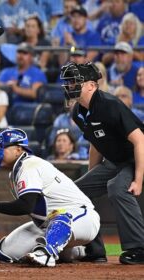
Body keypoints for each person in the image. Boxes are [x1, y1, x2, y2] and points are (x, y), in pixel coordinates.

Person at [0, 127, 100, 267]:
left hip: (82, 218)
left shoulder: (30, 165)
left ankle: (48, 254)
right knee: (4, 252)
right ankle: (80, 251)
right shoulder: (16, 171)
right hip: (48, 225)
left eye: (1, 147)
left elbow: (25, 206)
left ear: (18, 150)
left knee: (60, 217)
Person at [60, 61, 144, 264]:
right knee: (75, 193)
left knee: (116, 187)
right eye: (69, 82)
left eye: (75, 82)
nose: (70, 86)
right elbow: (95, 143)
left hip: (136, 157)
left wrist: (138, 180)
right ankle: (95, 251)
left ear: (91, 85)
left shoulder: (110, 105)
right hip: (115, 161)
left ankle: (139, 249)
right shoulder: (78, 111)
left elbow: (140, 139)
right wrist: (92, 175)